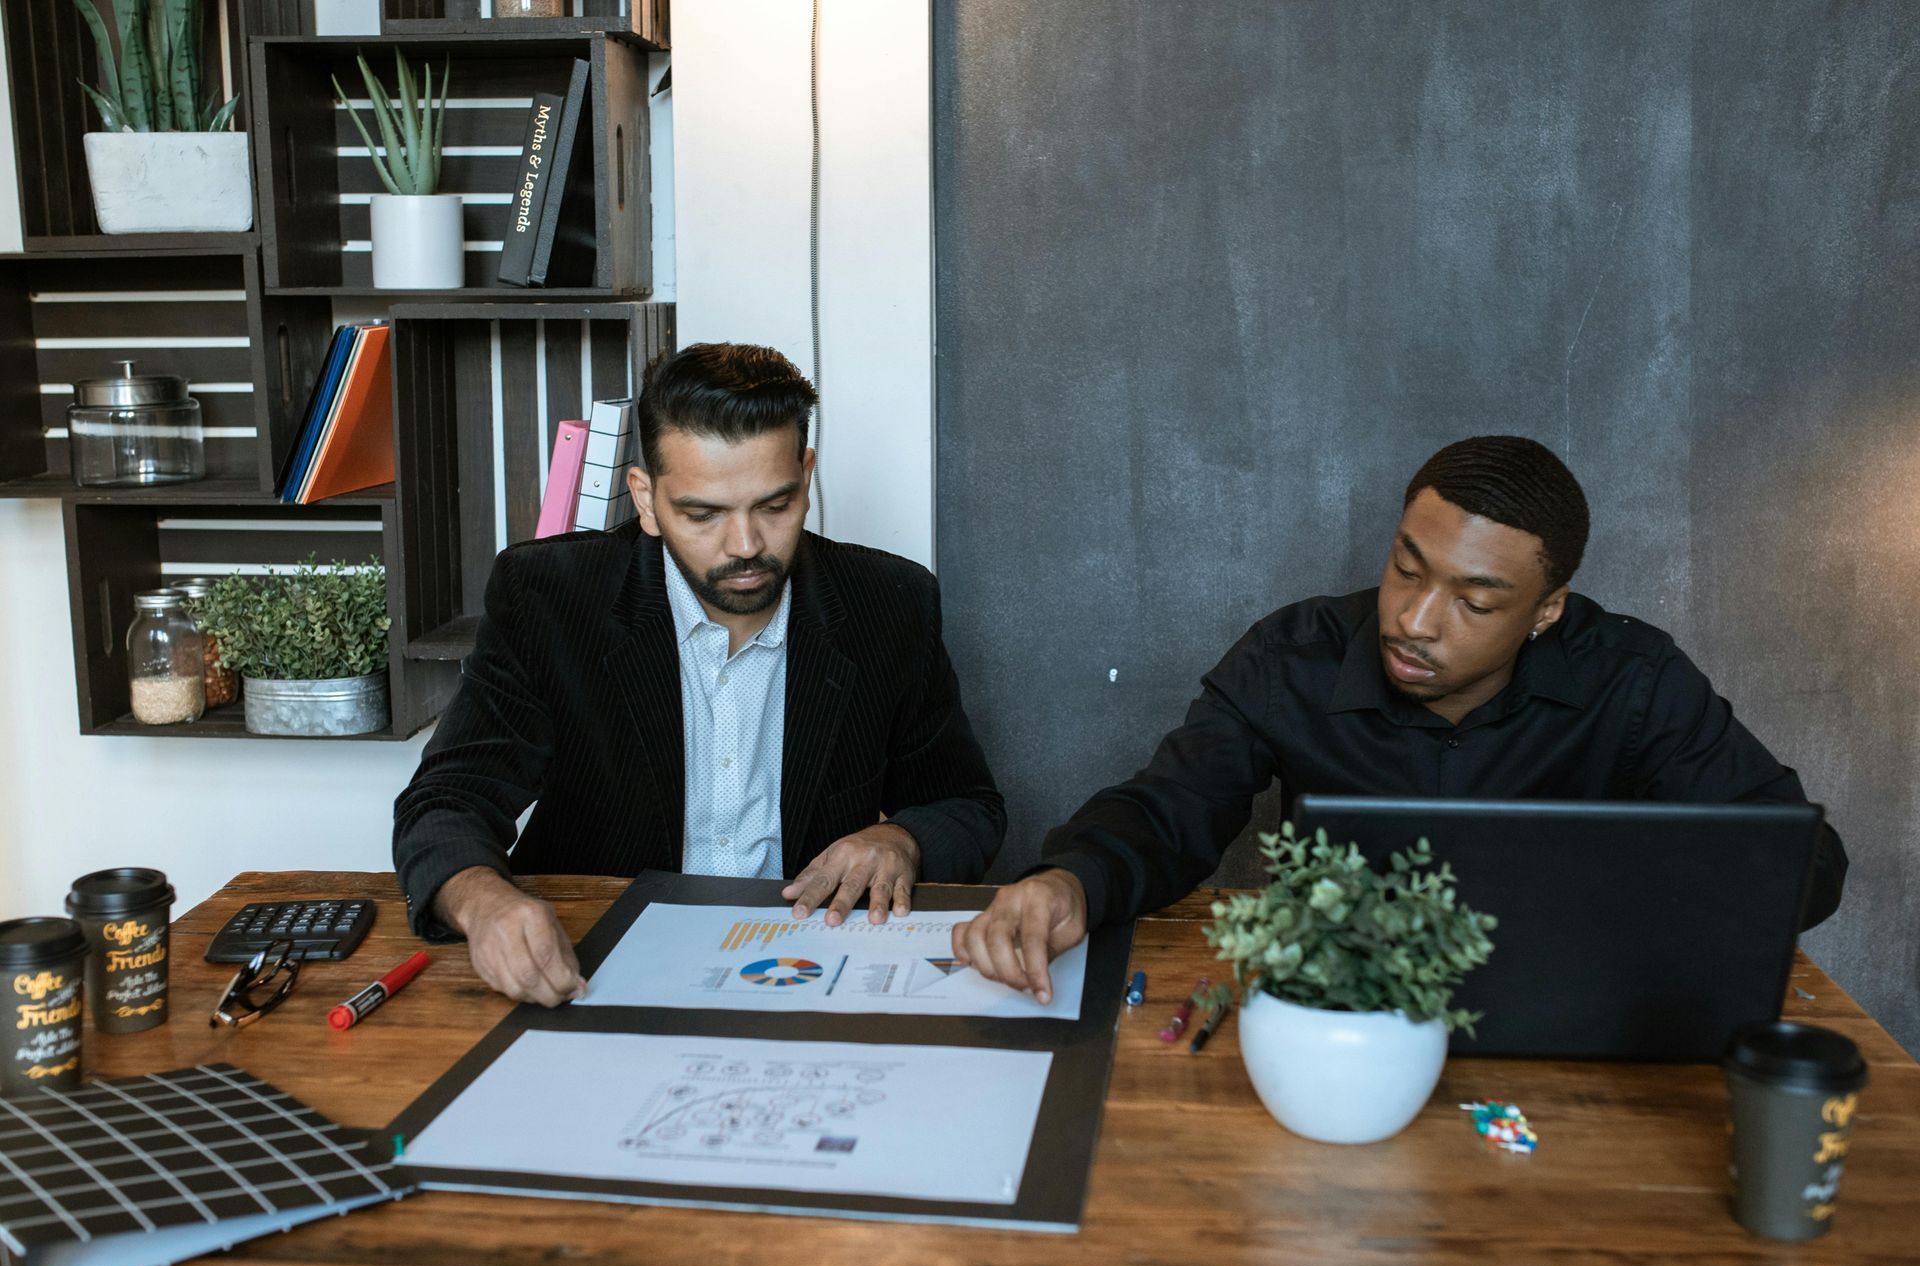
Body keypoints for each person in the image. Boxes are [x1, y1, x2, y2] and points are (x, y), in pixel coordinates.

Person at [953, 435, 1848, 1003]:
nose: (1416, 619)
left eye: (1476, 600)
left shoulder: (1636, 679)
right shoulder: (1290, 655)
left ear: (1547, 610)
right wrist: (1070, 881)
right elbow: (1168, 809)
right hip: (1339, 1015)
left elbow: (1803, 864)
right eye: (1408, 568)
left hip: (1567, 1021)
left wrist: (1618, 903)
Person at [394, 342, 1004, 1006]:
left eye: (774, 506)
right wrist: (484, 902)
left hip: (806, 970)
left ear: (806, 476)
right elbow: (446, 802)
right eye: (703, 513)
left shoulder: (888, 603)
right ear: (646, 500)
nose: (745, 545)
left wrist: (903, 839)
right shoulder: (548, 600)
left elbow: (967, 805)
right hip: (593, 968)